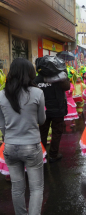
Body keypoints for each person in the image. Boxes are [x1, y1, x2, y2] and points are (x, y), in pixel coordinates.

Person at [0, 58, 46, 215]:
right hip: (31, 145)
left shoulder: (1, 95)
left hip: (10, 146)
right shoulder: (37, 93)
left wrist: (9, 139)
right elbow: (41, 120)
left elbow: (2, 125)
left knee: (17, 187)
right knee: (36, 188)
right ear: (30, 73)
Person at [34, 57, 70, 163]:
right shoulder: (60, 78)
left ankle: (42, 155)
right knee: (56, 133)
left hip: (42, 111)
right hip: (58, 110)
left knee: (42, 133)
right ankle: (53, 155)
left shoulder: (37, 79)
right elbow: (67, 87)